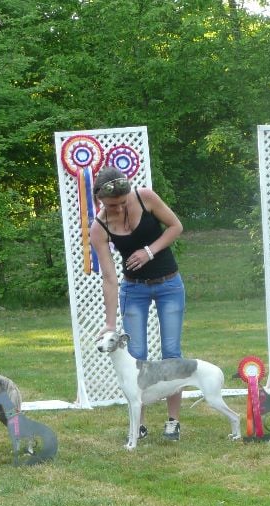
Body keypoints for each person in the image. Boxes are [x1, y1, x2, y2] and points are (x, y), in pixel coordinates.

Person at [90, 166, 186, 440]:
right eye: (112, 205)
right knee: (136, 354)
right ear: (100, 201)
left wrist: (149, 251)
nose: (118, 209)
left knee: (171, 352)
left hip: (169, 284)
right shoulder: (99, 227)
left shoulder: (145, 197)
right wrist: (110, 322)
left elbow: (176, 226)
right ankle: (139, 424)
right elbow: (109, 277)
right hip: (134, 290)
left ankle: (173, 421)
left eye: (122, 202)